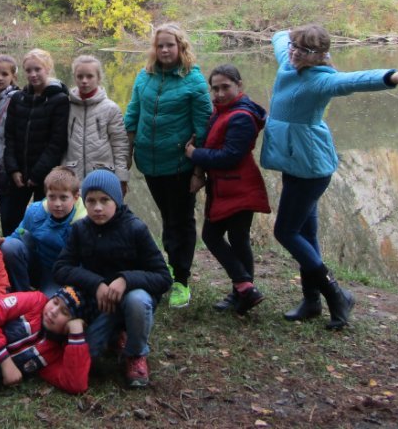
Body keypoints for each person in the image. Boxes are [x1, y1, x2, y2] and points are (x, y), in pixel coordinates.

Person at [260, 25, 398, 329]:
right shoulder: (287, 60)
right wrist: (288, 31)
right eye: (295, 47)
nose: (296, 53)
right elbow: (279, 39)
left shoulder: (321, 80)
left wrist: (391, 76)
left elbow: (353, 81)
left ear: (321, 56)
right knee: (306, 234)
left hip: (311, 166)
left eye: (305, 50)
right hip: (293, 160)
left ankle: (336, 294)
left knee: (285, 232)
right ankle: (311, 301)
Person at [53, 170, 172, 388]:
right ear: (84, 201)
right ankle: (116, 335)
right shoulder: (80, 229)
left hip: (130, 299)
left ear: (117, 200)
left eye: (105, 200)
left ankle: (136, 354)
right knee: (89, 355)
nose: (97, 207)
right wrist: (96, 283)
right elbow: (61, 268)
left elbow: (163, 277)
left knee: (138, 300)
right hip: (99, 303)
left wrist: (125, 279)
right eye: (91, 201)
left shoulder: (135, 228)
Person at [123, 23, 211, 309]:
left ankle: (182, 280)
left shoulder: (193, 81)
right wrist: (126, 154)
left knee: (181, 219)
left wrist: (199, 171)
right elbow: (133, 114)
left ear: (180, 47)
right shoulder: (144, 77)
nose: (164, 50)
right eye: (159, 45)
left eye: (169, 45)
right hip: (150, 163)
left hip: (179, 165)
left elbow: (203, 127)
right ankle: (171, 268)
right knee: (167, 216)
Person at [185, 64, 271, 315]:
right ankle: (243, 292)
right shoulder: (224, 111)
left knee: (215, 236)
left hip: (239, 186)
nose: (219, 93)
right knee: (236, 238)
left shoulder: (241, 117)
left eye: (226, 87)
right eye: (215, 88)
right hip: (229, 186)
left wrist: (195, 154)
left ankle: (244, 288)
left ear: (239, 86)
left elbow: (229, 156)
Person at [2, 49, 69, 236]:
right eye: (28, 70)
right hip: (17, 175)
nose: (32, 74)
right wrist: (13, 169)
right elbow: (9, 137)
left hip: (44, 176)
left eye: (37, 69)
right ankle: (9, 257)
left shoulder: (60, 100)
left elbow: (57, 143)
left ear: (47, 68)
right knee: (10, 220)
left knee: (43, 222)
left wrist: (37, 174)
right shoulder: (17, 99)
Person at [0, 166, 86, 294]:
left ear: (76, 197)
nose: (57, 204)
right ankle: (22, 294)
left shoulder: (83, 224)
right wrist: (0, 242)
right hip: (36, 263)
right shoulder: (35, 211)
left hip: (60, 273)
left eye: (63, 198)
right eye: (52, 197)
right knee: (9, 246)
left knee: (49, 305)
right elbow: (18, 235)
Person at [63, 55, 129, 195]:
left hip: (103, 176)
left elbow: (120, 146)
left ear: (98, 78)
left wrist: (122, 178)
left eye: (89, 76)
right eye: (80, 76)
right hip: (72, 177)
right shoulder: (65, 106)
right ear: (74, 77)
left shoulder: (111, 108)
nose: (84, 81)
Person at [0, 54, 20, 233]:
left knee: (10, 214)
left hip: (9, 166)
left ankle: (12, 250)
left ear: (13, 76)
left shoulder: (17, 98)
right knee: (2, 212)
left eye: (4, 74)